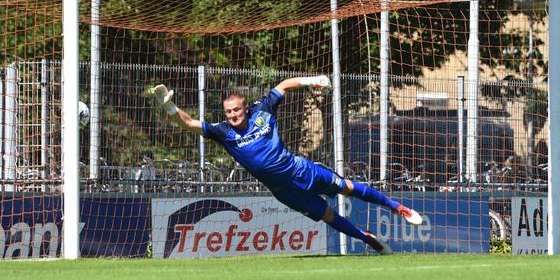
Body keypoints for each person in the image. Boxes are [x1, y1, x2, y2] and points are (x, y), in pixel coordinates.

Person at [151, 76, 423, 255]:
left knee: (346, 186)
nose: (232, 115)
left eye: (236, 110)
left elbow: (283, 85)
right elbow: (188, 124)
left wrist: (312, 81)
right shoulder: (223, 132)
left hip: (300, 169)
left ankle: (398, 207)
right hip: (284, 191)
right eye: (228, 112)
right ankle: (368, 240)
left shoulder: (263, 110)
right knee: (328, 216)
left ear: (245, 108)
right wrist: (170, 107)